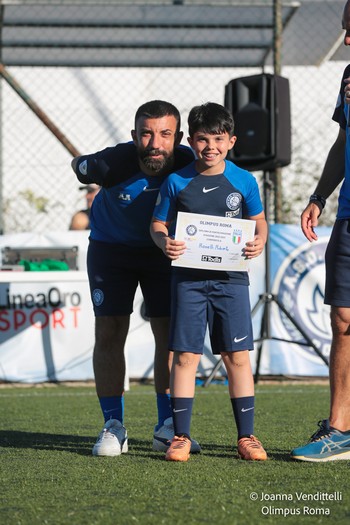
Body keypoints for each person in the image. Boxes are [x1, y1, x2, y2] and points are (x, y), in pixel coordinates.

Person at [71, 100, 200, 456]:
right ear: (134, 136)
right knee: (110, 331)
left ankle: (167, 427)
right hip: (112, 251)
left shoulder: (192, 163)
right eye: (146, 133)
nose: (155, 142)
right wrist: (86, 167)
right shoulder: (112, 162)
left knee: (170, 336)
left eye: (164, 134)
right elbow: (78, 165)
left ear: (178, 138)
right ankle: (113, 425)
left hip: (164, 252)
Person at [150, 102, 268, 462]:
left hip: (231, 280)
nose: (210, 147)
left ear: (231, 141)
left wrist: (259, 239)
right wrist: (163, 241)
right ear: (190, 140)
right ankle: (181, 436)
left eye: (218, 139)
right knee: (185, 356)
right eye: (202, 139)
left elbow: (259, 222)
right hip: (187, 280)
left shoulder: (244, 180)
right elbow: (157, 224)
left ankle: (246, 437)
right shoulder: (176, 180)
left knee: (237, 357)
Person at [290, 1, 350, 462]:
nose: (346, 40)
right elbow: (343, 142)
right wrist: (318, 196)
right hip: (348, 217)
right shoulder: (347, 77)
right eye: (345, 29)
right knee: (343, 321)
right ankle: (340, 429)